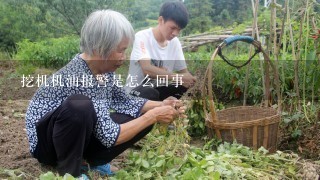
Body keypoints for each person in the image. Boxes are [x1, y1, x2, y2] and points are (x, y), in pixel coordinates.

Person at [25, 10, 186, 178]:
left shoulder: (104, 72)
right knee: (79, 106)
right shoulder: (79, 75)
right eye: (121, 51)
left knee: (147, 96)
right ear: (100, 48)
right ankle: (70, 171)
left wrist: (163, 105)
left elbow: (125, 101)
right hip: (47, 146)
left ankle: (93, 161)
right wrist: (153, 116)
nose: (124, 57)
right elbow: (109, 136)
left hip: (78, 135)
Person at [125, 1, 196, 101]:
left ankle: (169, 108)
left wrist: (191, 80)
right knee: (150, 93)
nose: (175, 33)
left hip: (158, 91)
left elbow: (185, 73)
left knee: (186, 83)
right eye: (173, 28)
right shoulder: (142, 37)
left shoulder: (175, 43)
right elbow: (147, 69)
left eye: (179, 30)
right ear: (161, 20)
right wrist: (178, 77)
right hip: (137, 92)